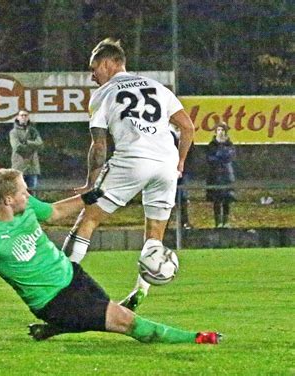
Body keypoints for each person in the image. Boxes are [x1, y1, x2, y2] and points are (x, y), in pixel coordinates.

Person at [0, 169, 221, 351]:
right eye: (24, 191)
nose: (28, 194)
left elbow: (55, 212)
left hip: (74, 276)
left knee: (111, 314)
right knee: (128, 323)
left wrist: (89, 196)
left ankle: (52, 329)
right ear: (8, 200)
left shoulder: (26, 205)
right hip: (54, 301)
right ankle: (200, 338)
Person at [62, 38, 195, 311]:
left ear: (110, 62)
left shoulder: (102, 94)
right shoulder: (157, 87)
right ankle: (139, 292)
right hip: (166, 164)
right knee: (154, 236)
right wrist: (180, 161)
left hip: (133, 159)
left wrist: (91, 184)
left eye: (94, 67)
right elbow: (187, 126)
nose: (92, 75)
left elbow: (98, 146)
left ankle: (59, 289)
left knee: (88, 219)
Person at [206, 122, 236, 228]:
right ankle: (218, 222)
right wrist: (221, 155)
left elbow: (230, 156)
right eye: (218, 130)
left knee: (226, 199)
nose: (220, 132)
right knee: (216, 200)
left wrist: (220, 154)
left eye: (222, 130)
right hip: (215, 175)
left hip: (227, 176)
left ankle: (226, 221)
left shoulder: (229, 144)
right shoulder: (211, 145)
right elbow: (210, 158)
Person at [9, 109, 43, 194]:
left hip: (32, 167)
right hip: (19, 167)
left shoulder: (33, 131)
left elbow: (40, 144)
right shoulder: (13, 132)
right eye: (22, 115)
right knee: (19, 193)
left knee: (32, 194)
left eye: (26, 115)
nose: (24, 117)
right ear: (17, 117)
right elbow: (17, 147)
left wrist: (27, 142)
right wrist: (32, 147)